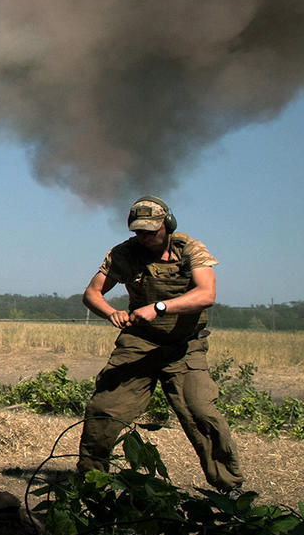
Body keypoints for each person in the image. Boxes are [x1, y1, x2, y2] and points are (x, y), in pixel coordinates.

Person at [76, 196, 245, 491]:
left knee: (202, 414)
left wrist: (159, 308)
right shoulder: (124, 254)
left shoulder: (190, 249)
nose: (144, 237)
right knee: (103, 411)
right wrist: (111, 312)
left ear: (167, 225)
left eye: (151, 231)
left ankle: (229, 489)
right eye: (138, 231)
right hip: (138, 344)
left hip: (184, 347)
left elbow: (207, 294)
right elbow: (91, 294)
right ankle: (91, 485)